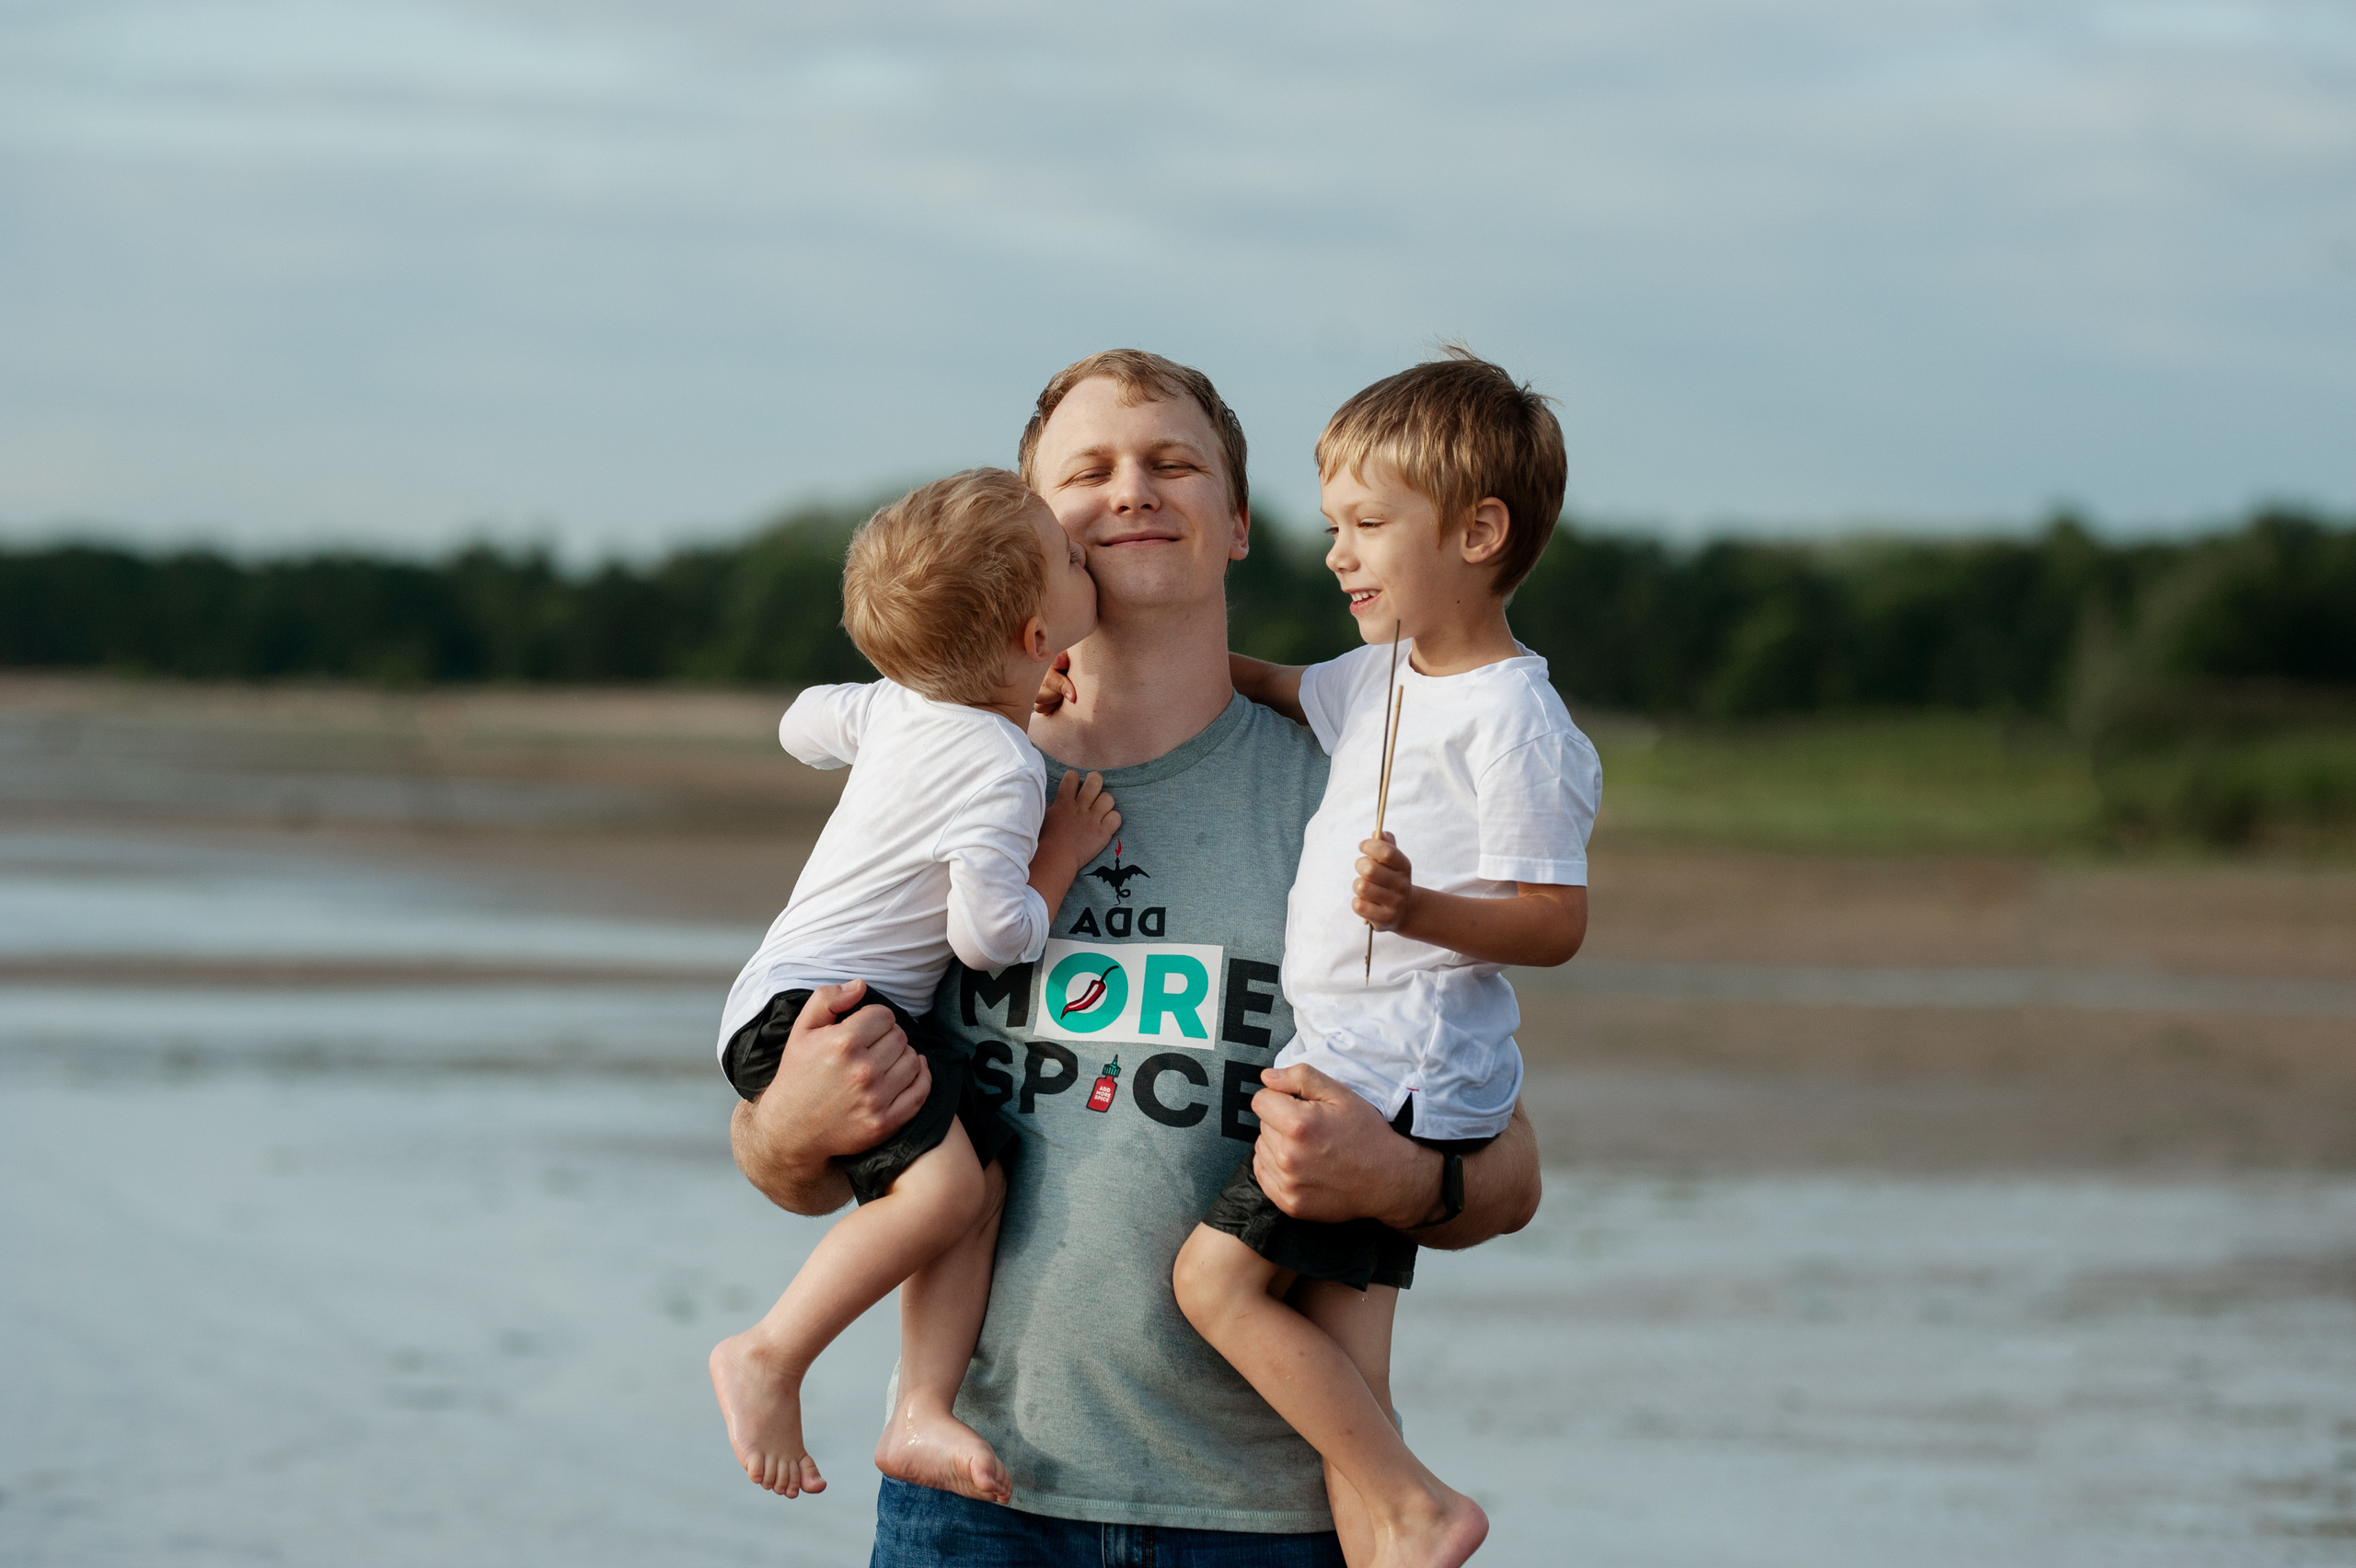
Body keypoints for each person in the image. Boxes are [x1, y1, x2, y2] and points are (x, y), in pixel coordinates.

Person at [728, 352, 1543, 1566]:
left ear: (1238, 524)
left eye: (1174, 464)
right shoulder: (946, 782)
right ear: (1027, 536)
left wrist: (1393, 1175)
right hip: (976, 1505)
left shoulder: (1361, 800)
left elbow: (1510, 1173)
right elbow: (792, 1164)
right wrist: (788, 1126)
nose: (1132, 492)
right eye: (1088, 472)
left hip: (1264, 1522)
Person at [1172, 350, 1599, 1568]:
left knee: (1215, 1289)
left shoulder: (1516, 718)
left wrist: (1421, 908)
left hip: (1396, 1066)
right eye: (1333, 525)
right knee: (1350, 1380)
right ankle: (1386, 1525)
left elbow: (1552, 921)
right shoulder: (1383, 678)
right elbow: (1272, 686)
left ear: (1478, 531)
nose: (1336, 553)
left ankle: (1418, 1506)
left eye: (1367, 525)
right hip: (1349, 1047)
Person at [706, 469, 1120, 1503]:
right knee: (939, 1194)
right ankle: (769, 1351)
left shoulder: (901, 706)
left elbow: (805, 720)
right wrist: (1057, 860)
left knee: (968, 1191)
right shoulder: (1002, 766)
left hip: (786, 993)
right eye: (1070, 558)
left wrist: (906, 702)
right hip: (834, 1016)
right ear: (1037, 639)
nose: (1084, 550)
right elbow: (986, 937)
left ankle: (920, 1409)